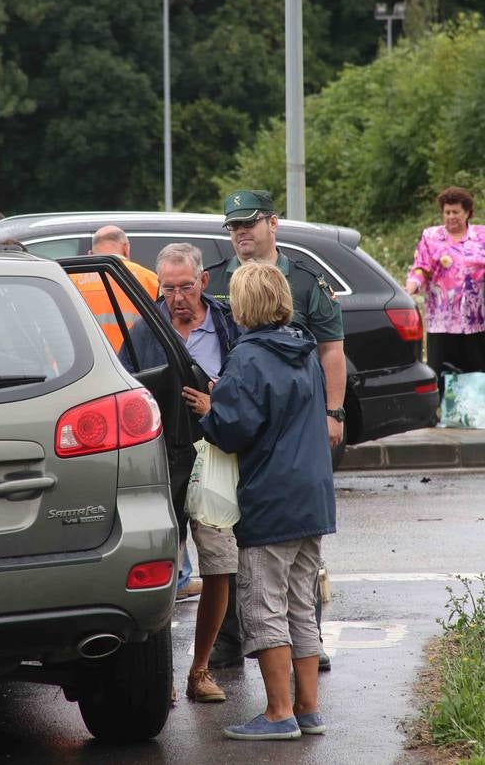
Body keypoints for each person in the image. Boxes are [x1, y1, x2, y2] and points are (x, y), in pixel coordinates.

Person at [190, 261, 335, 740]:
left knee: (263, 606)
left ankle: (278, 713)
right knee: (300, 602)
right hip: (311, 496)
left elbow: (234, 430)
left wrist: (213, 408)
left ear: (245, 305)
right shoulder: (303, 349)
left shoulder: (248, 356)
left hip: (270, 498)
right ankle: (308, 708)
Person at [205, 189, 345, 671]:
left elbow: (331, 350)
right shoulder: (213, 279)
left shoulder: (304, 280)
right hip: (250, 416)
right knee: (228, 546)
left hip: (266, 429)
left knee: (271, 563)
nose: (240, 233)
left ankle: (282, 703)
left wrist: (334, 412)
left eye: (249, 223)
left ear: (273, 224)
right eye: (233, 227)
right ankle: (230, 643)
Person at [119, 242, 239, 704]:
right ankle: (161, 675)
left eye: (185, 287)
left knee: (219, 565)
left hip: (212, 459)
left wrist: (218, 399)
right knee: (160, 572)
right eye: (167, 288)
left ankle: (201, 669)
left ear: (203, 282)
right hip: (157, 462)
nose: (177, 297)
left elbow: (249, 387)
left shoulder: (228, 326)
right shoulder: (142, 330)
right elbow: (122, 388)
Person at [405, 186, 485, 395]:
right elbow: (420, 267)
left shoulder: (481, 236)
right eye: (447, 212)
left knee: (475, 371)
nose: (451, 217)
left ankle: (474, 414)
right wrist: (410, 288)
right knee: (440, 371)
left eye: (455, 212)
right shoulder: (431, 237)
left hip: (474, 320)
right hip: (441, 319)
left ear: (467, 212)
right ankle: (440, 412)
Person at [70, 225, 159, 352]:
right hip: (136, 364)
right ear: (126, 248)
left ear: (90, 254)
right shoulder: (150, 279)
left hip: (89, 362)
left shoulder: (72, 281)